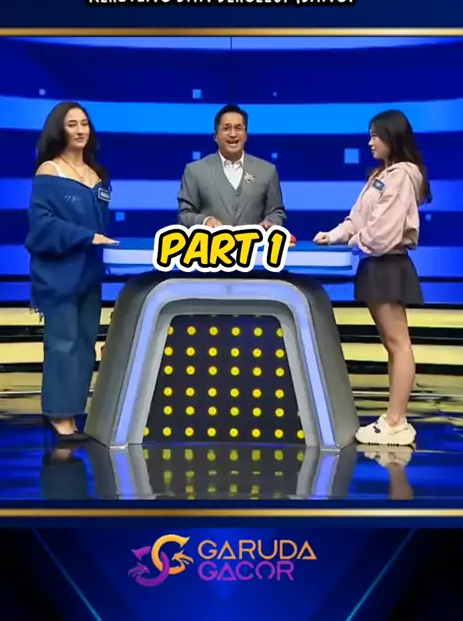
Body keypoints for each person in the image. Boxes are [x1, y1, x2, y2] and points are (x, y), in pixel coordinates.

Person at [314, 109, 431, 447]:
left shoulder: (403, 176)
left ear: (393, 137)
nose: (370, 142)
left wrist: (354, 241)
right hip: (376, 265)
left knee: (399, 344)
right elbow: (358, 218)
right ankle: (394, 418)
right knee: (392, 345)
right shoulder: (382, 175)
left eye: (376, 136)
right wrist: (334, 236)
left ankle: (396, 421)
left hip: (388, 265)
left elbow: (383, 232)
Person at [25, 102, 118, 442]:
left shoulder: (96, 174)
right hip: (58, 274)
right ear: (59, 129)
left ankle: (72, 412)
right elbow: (42, 224)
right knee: (62, 343)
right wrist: (85, 236)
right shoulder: (50, 171)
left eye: (84, 124)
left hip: (89, 273)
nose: (80, 130)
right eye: (72, 124)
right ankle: (58, 415)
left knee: (83, 343)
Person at [177, 104, 286, 229]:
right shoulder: (195, 171)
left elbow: (277, 212)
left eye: (238, 128)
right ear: (215, 136)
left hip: (254, 241)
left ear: (246, 135)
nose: (233, 134)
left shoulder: (267, 171)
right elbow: (184, 215)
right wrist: (204, 221)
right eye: (226, 128)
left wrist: (271, 222)